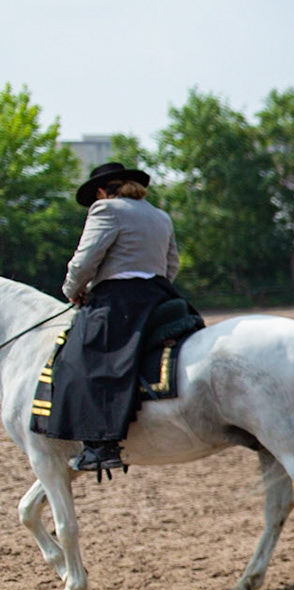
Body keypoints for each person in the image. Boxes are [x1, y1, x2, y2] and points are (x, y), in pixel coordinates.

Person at [52, 162, 188, 475]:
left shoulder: (105, 210)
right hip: (161, 295)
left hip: (120, 299)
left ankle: (100, 445)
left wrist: (73, 290)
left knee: (79, 358)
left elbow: (84, 261)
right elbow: (172, 266)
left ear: (101, 191)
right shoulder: (160, 215)